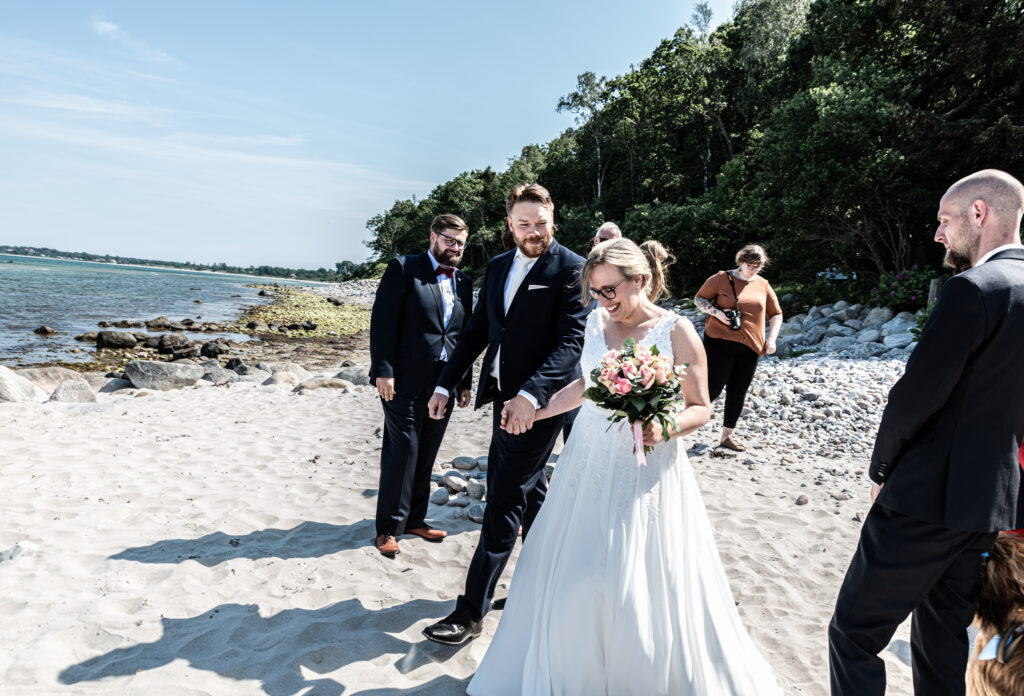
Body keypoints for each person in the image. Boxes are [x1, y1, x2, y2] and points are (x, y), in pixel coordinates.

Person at [466, 238, 782, 695]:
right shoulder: (594, 322)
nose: (602, 301)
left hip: (647, 468)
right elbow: (585, 385)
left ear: (641, 280)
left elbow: (701, 407)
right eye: (595, 292)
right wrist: (535, 410)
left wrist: (665, 427)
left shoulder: (676, 331)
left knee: (638, 573)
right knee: (577, 569)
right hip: (588, 460)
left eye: (610, 290)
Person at [829, 169, 1024, 696]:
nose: (938, 233)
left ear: (978, 214)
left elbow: (915, 397)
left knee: (854, 633)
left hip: (926, 498)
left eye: (944, 220)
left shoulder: (973, 288)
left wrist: (882, 471)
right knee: (942, 634)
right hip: (992, 502)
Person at [421, 183, 589, 645]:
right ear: (509, 225)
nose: (533, 232)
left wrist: (532, 395)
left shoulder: (573, 268)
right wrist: (444, 382)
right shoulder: (496, 266)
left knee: (504, 498)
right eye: (524, 223)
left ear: (553, 219)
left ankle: (470, 613)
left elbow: (571, 344)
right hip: (501, 399)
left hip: (540, 404)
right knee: (530, 492)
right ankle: (543, 584)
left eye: (541, 223)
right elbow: (475, 333)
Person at [367, 214, 474, 558]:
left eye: (460, 242)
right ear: (433, 237)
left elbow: (465, 336)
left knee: (426, 452)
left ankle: (415, 519)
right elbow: (383, 322)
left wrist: (463, 382)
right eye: (449, 240)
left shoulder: (464, 282)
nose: (455, 247)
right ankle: (387, 528)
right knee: (403, 452)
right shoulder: (403, 267)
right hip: (401, 381)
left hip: (443, 384)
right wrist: (383, 370)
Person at [694, 245, 782, 451]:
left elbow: (776, 313)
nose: (753, 269)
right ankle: (681, 428)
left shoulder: (763, 284)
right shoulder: (721, 278)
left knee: (738, 391)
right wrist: (716, 313)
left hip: (751, 345)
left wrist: (772, 339)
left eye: (758, 266)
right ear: (740, 262)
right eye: (750, 265)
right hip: (719, 341)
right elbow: (699, 299)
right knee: (712, 388)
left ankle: (727, 436)